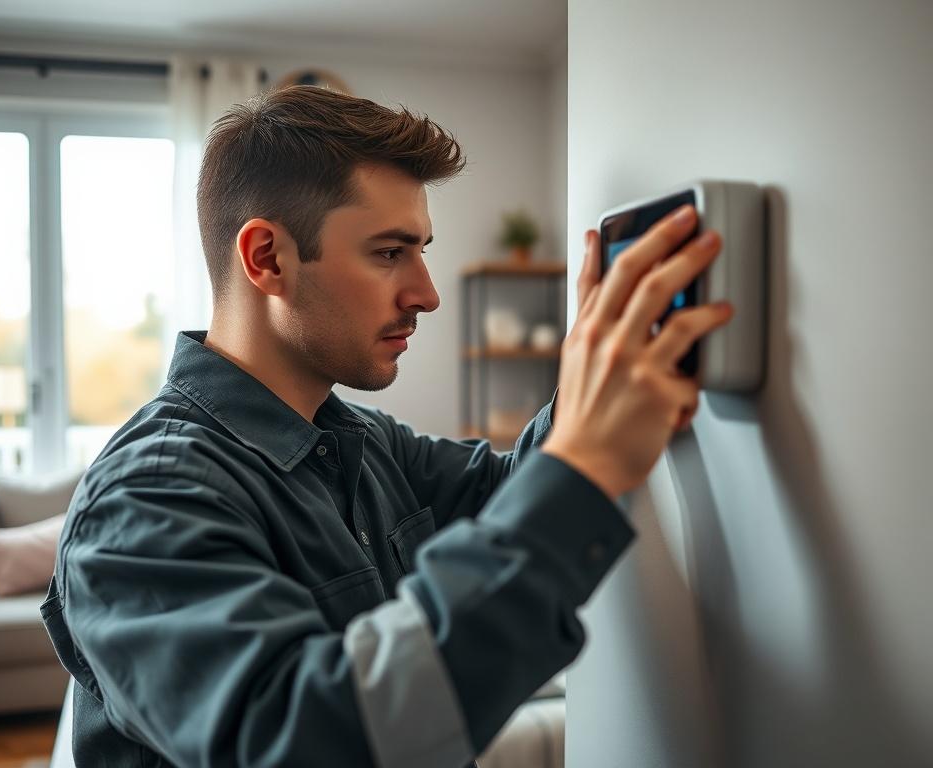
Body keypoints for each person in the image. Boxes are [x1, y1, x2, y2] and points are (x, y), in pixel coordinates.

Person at [41, 85, 733, 768]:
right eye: (388, 252)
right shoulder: (146, 500)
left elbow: (521, 489)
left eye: (421, 249)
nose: (427, 293)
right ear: (267, 259)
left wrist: (600, 362)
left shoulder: (364, 443)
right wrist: (583, 468)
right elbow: (301, 742)